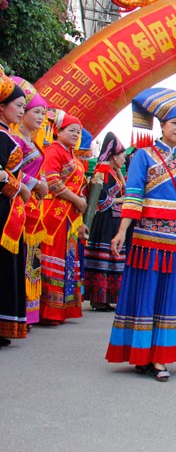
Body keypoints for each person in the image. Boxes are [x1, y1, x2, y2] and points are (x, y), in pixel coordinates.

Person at [106, 88, 176, 382]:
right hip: (147, 238)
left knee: (171, 296)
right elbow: (134, 196)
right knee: (146, 293)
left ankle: (159, 356)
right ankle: (143, 354)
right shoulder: (142, 156)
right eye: (174, 123)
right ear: (161, 125)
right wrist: (122, 231)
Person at [39, 111, 88, 326]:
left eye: (78, 132)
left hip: (69, 216)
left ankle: (62, 309)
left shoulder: (71, 155)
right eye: (71, 130)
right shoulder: (53, 152)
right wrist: (76, 200)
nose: (76, 135)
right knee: (53, 259)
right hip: (54, 213)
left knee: (67, 260)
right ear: (58, 131)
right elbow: (52, 181)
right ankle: (49, 311)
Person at [9, 76, 49, 327]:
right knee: (21, 257)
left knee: (30, 258)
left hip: (35, 207)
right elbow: (16, 173)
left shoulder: (32, 141)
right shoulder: (16, 140)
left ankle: (27, 313)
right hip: (21, 202)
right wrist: (36, 184)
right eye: (35, 111)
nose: (39, 117)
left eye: (43, 113)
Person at [0, 74, 31, 346]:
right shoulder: (1, 136)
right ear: (2, 106)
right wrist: (17, 187)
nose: (22, 111)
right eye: (18, 105)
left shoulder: (6, 135)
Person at [83, 132, 127, 311]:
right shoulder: (103, 170)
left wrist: (118, 171)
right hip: (105, 220)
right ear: (114, 156)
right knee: (104, 258)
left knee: (111, 258)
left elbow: (125, 190)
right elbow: (100, 199)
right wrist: (119, 201)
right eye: (122, 157)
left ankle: (105, 297)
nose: (124, 160)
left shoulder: (111, 171)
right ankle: (99, 298)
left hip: (113, 219)